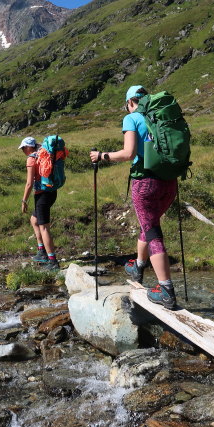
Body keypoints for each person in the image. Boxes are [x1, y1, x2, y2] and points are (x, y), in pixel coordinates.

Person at [90, 86, 179, 309]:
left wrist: (101, 156)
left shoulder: (132, 118)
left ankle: (166, 289)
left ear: (130, 102)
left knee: (152, 231)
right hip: (169, 181)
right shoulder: (159, 117)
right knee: (149, 224)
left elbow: (128, 153)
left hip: (145, 183)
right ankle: (138, 265)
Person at [19, 137, 59, 271]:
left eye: (24, 148)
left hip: (41, 195)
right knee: (34, 220)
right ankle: (42, 251)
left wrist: (24, 201)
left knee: (44, 228)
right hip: (52, 191)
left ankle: (52, 261)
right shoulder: (44, 152)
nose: (23, 150)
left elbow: (29, 183)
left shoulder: (31, 158)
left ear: (29, 147)